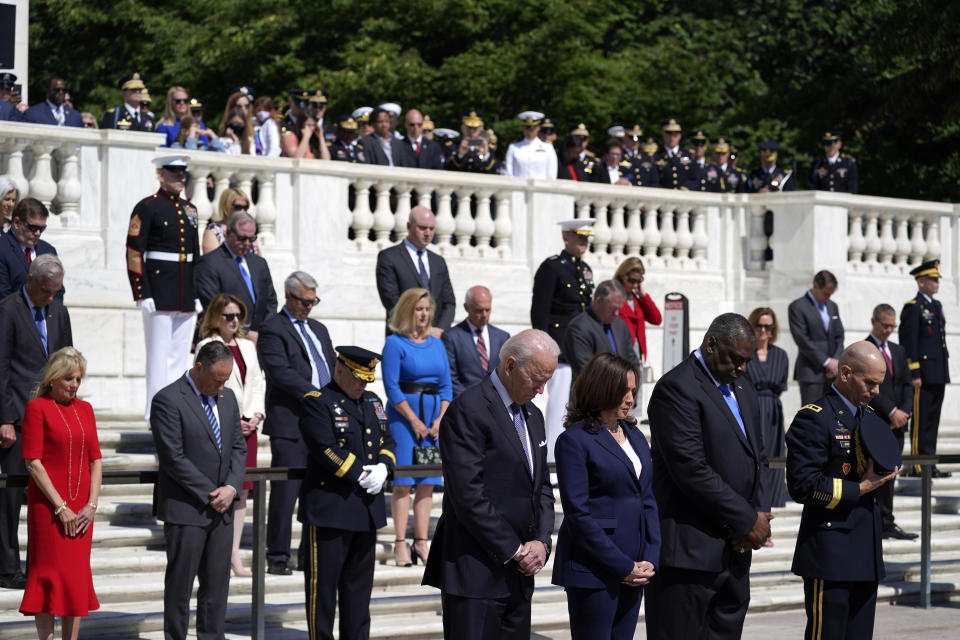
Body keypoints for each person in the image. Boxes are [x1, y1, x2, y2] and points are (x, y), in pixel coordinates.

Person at [422, 329, 558, 640]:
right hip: (476, 572)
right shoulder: (469, 409)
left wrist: (541, 542)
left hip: (520, 575)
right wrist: (514, 550)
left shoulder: (533, 416)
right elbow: (468, 494)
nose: (541, 390)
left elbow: (542, 488)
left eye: (547, 381)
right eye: (537, 379)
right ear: (510, 366)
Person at [644, 313, 772, 639]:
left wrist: (758, 516)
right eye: (736, 359)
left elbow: (757, 458)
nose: (742, 368)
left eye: (747, 361)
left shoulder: (742, 387)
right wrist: (747, 519)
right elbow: (691, 469)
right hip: (689, 556)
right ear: (712, 343)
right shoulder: (677, 388)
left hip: (734, 553)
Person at [786, 341, 900, 640]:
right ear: (846, 372)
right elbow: (803, 485)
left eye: (879, 384)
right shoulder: (814, 417)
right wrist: (860, 488)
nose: (876, 392)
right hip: (831, 551)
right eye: (870, 383)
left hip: (866, 549)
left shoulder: (869, 417)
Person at [552, 353, 660, 640]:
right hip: (594, 569)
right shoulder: (574, 441)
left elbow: (647, 498)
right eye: (623, 390)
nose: (630, 398)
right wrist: (622, 566)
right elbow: (578, 514)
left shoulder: (635, 436)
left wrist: (650, 556)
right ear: (602, 388)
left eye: (633, 391)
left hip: (636, 568)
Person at [151, 341, 246, 640]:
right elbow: (173, 458)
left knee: (217, 588)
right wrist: (212, 493)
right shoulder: (168, 399)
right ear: (199, 367)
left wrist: (231, 487)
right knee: (180, 588)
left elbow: (238, 448)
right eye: (217, 379)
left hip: (223, 508)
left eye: (226, 379)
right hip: (187, 509)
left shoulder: (228, 398)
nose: (221, 385)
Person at [299, 346, 396, 640]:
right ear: (339, 369)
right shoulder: (318, 402)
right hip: (331, 510)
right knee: (323, 595)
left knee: (358, 595)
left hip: (365, 511)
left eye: (367, 380)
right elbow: (324, 447)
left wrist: (383, 467)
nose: (362, 385)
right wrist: (360, 473)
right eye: (357, 378)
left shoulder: (373, 402)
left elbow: (387, 440)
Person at [0, 255, 73, 591]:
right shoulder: (8, 310)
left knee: (47, 493)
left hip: (51, 415)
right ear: (30, 280)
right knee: (11, 495)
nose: (49, 297)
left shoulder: (59, 310)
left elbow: (67, 360)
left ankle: (41, 562)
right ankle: (7, 565)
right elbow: (1, 366)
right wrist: (5, 419)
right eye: (45, 291)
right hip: (17, 413)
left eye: (54, 292)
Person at [19, 347, 101, 639]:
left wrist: (91, 505)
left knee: (75, 580)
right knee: (48, 578)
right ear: (53, 378)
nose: (75, 385)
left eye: (78, 379)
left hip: (80, 509)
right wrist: (60, 507)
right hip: (49, 509)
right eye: (68, 379)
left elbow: (96, 460)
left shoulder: (85, 410)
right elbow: (33, 462)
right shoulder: (37, 408)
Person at [257, 271, 335, 575]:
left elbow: (330, 364)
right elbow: (280, 372)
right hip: (292, 422)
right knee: (285, 493)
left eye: (313, 301)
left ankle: (309, 555)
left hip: (323, 422)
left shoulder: (319, 328)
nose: (309, 307)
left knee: (318, 491)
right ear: (288, 296)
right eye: (304, 301)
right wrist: (316, 395)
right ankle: (277, 555)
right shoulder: (272, 328)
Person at [126, 154, 202, 418]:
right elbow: (134, 251)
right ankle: (156, 411)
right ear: (161, 175)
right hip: (158, 291)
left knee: (180, 355)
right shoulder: (148, 206)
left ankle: (176, 409)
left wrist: (197, 293)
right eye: (174, 173)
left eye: (183, 174)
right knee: (158, 356)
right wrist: (142, 292)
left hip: (184, 292)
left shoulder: (190, 209)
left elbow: (196, 255)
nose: (181, 178)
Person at [196, 294, 266, 576]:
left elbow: (258, 382)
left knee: (242, 491)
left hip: (248, 425)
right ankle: (216, 549)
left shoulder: (248, 346)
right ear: (216, 317)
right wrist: (234, 418)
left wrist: (257, 415)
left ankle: (234, 552)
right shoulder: (206, 345)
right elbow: (207, 385)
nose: (235, 321)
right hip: (221, 425)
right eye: (228, 316)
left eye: (238, 315)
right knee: (221, 486)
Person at [382, 288, 452, 566]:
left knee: (428, 482)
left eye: (427, 309)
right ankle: (400, 542)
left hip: (433, 421)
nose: (423, 315)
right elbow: (391, 386)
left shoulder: (437, 344)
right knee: (404, 482)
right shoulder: (395, 343)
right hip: (404, 421)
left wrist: (439, 420)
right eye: (418, 309)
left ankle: (421, 542)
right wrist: (413, 420)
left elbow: (446, 385)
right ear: (407, 310)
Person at [530, 219, 595, 460]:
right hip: (560, 349)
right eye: (579, 237)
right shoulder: (552, 268)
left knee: (579, 405)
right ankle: (552, 460)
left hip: (581, 350)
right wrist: (544, 348)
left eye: (587, 238)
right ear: (565, 238)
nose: (584, 242)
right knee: (559, 406)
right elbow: (540, 311)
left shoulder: (585, 269)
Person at [866, 303, 916, 539]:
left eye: (892, 326)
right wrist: (891, 411)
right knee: (874, 474)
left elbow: (907, 383)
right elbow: (869, 386)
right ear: (873, 321)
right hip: (877, 421)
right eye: (884, 325)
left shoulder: (898, 350)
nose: (888, 330)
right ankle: (872, 522)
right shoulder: (865, 349)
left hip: (897, 424)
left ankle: (887, 520)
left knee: (891, 473)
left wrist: (904, 412)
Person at [900, 259, 951, 477]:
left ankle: (930, 463)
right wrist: (914, 372)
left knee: (933, 420)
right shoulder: (913, 307)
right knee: (921, 421)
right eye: (932, 279)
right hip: (922, 374)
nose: (936, 282)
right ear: (921, 282)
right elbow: (909, 342)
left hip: (938, 372)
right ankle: (919, 464)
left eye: (937, 279)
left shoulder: (935, 306)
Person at [195, 211, 277, 341]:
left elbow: (270, 301)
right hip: (227, 340)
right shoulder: (210, 262)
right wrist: (245, 333)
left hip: (260, 339)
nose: (246, 244)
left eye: (251, 239)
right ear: (228, 232)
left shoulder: (259, 263)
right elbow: (213, 305)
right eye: (242, 238)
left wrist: (264, 332)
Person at [375, 206, 457, 334]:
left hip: (435, 339)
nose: (428, 233)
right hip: (404, 336)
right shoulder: (389, 257)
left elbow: (449, 302)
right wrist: (419, 328)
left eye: (431, 228)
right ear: (409, 226)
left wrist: (439, 330)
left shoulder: (438, 262)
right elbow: (391, 300)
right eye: (422, 228)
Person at [744, 307, 790, 510]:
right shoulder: (745, 353)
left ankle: (770, 509)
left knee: (775, 459)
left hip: (773, 413)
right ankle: (755, 508)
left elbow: (780, 387)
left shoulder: (781, 355)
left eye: (768, 327)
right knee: (755, 459)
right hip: (751, 410)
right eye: (759, 326)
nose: (763, 331)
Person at [565, 280, 640, 384]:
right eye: (612, 308)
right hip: (593, 395)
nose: (616, 313)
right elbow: (585, 370)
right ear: (598, 301)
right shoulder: (579, 327)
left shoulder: (620, 325)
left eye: (619, 309)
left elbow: (632, 362)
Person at [788, 270, 845, 404]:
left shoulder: (832, 306)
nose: (828, 297)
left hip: (834, 373)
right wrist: (826, 362)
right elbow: (802, 339)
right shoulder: (798, 307)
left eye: (831, 294)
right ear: (815, 286)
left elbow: (839, 335)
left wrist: (836, 361)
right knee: (812, 416)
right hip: (811, 373)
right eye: (826, 293)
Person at [442, 285, 510, 397]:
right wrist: (471, 400)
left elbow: (508, 374)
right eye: (479, 310)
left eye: (487, 310)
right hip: (465, 403)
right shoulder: (451, 337)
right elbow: (450, 377)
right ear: (466, 307)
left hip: (496, 403)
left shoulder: (502, 337)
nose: (484, 315)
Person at [0, 198, 63, 301]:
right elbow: (3, 295)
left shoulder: (48, 250)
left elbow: (58, 290)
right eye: (33, 228)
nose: (38, 233)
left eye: (42, 229)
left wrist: (50, 315)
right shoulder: (2, 249)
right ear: (16, 223)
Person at [613, 257, 662, 369]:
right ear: (622, 276)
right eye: (631, 280)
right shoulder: (613, 297)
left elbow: (657, 319)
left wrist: (644, 296)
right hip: (619, 356)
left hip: (637, 356)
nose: (635, 285)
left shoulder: (637, 299)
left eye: (639, 281)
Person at [202, 187, 260, 255]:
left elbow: (259, 260)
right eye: (238, 207)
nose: (242, 211)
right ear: (226, 206)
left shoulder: (247, 229)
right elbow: (212, 261)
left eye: (245, 207)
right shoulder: (213, 230)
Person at [504, 111, 557, 179]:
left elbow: (551, 175)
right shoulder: (513, 148)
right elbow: (508, 174)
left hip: (540, 189)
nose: (529, 132)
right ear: (523, 128)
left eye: (532, 128)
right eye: (527, 128)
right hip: (518, 189)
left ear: (538, 128)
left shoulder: (548, 148)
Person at [652, 118, 692, 189]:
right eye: (669, 134)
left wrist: (686, 187)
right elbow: (653, 180)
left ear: (680, 136)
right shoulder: (656, 156)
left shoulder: (689, 155)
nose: (672, 138)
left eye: (675, 134)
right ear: (663, 135)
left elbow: (695, 178)